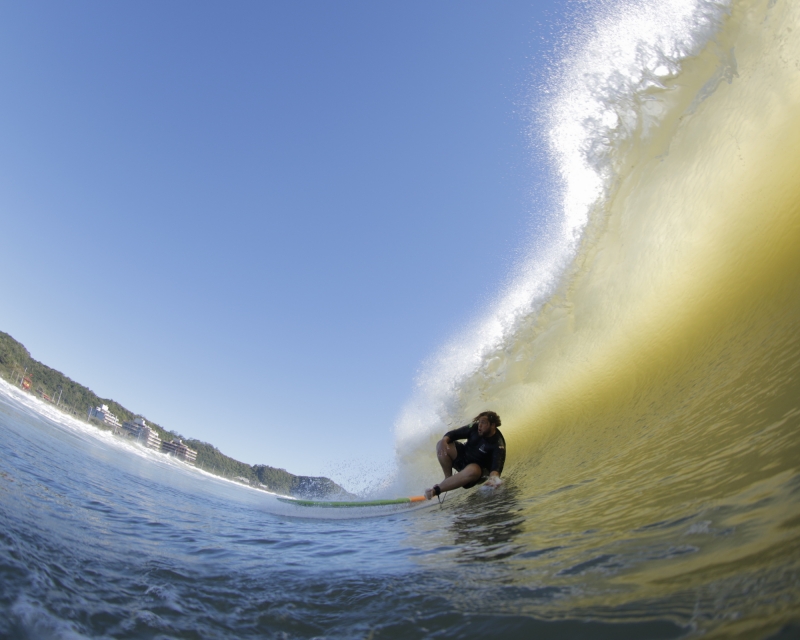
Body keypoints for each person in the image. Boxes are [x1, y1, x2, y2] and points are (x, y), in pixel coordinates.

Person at [424, 411, 506, 500]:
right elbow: (453, 434)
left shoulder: (498, 444)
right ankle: (447, 478)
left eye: (483, 422)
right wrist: (444, 440)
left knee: (473, 470)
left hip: (476, 472)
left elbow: (496, 469)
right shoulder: (474, 427)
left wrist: (493, 479)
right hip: (463, 458)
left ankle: (435, 491)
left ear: (493, 425)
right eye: (479, 422)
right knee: (442, 444)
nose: (480, 425)